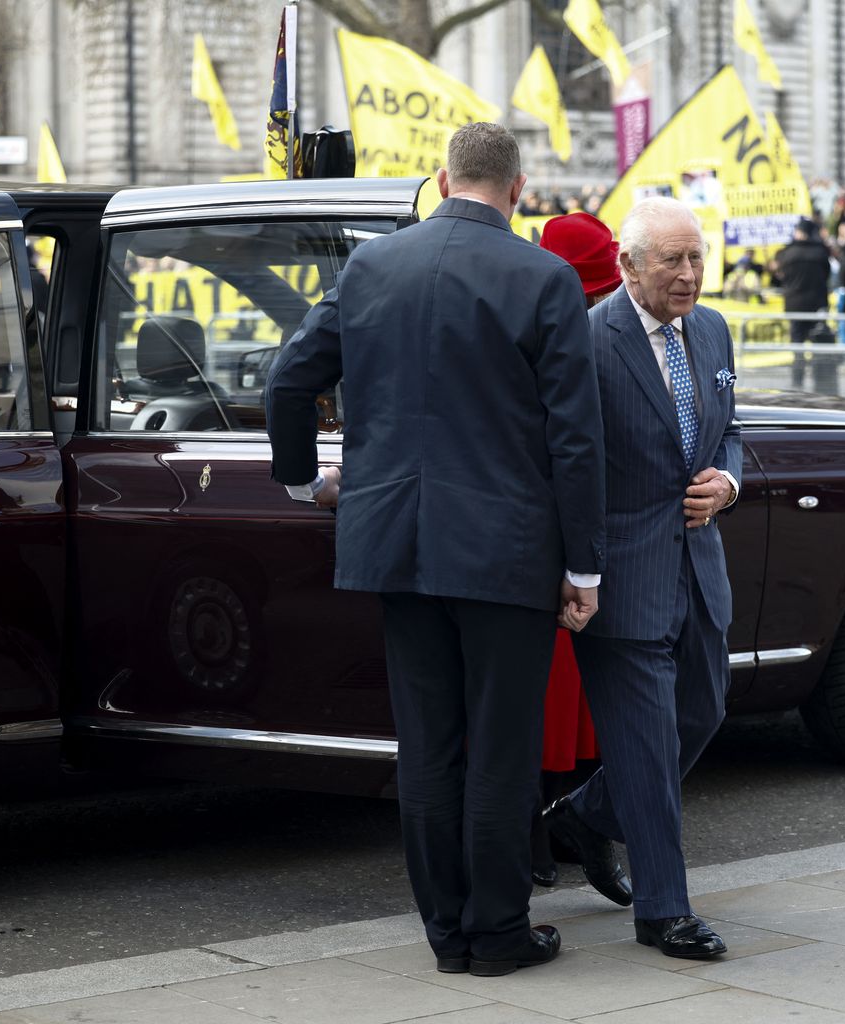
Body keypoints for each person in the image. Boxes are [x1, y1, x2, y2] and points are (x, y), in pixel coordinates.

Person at [265, 123, 607, 978]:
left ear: (443, 178)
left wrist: (307, 484)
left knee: (427, 746)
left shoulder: (374, 266)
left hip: (395, 543)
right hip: (506, 552)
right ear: (518, 189)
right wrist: (585, 566)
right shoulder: (544, 277)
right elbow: (575, 439)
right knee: (500, 745)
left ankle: (446, 932)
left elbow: (287, 381)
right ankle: (497, 933)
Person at [543, 196, 741, 961]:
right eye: (673, 261)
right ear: (627, 265)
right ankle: (665, 911)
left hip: (700, 571)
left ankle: (588, 815)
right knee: (651, 748)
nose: (689, 274)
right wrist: (578, 570)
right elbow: (567, 465)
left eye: (697, 257)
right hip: (622, 578)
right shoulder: (590, 343)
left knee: (705, 710)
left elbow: (731, 432)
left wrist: (728, 483)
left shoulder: (715, 329)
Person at [531, 211, 624, 889]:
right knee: (548, 695)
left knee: (587, 698)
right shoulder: (549, 333)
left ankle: (573, 822)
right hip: (551, 541)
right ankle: (540, 828)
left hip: (597, 538)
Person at [773, 217, 835, 393]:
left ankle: (797, 381)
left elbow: (781, 275)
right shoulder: (820, 252)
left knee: (797, 345)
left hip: (795, 305)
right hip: (816, 305)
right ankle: (821, 380)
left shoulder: (787, 253)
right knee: (819, 344)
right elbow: (827, 275)